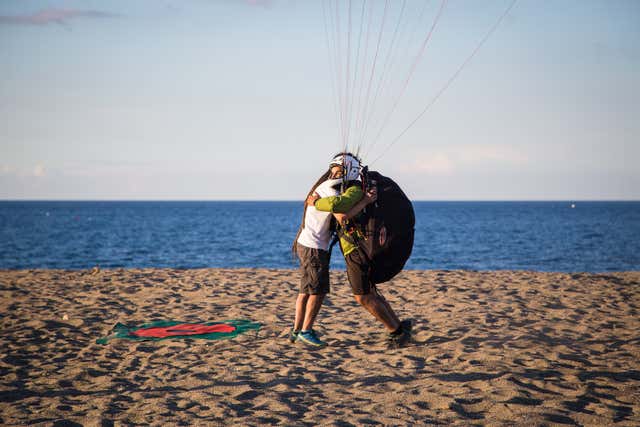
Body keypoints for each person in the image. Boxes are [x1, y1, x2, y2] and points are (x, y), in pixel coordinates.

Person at [309, 152, 412, 349]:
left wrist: (315, 202)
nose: (333, 175)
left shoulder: (354, 189)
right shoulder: (349, 188)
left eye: (338, 171)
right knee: (369, 292)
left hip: (356, 249)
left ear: (349, 171)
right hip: (355, 247)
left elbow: (340, 212)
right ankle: (398, 327)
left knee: (362, 295)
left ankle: (397, 331)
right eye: (332, 171)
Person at [291, 160, 376, 347]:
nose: (337, 175)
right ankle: (306, 331)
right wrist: (366, 201)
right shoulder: (332, 190)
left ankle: (296, 330)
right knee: (318, 291)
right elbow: (342, 217)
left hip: (305, 244)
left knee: (305, 290)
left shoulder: (323, 185)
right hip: (314, 248)